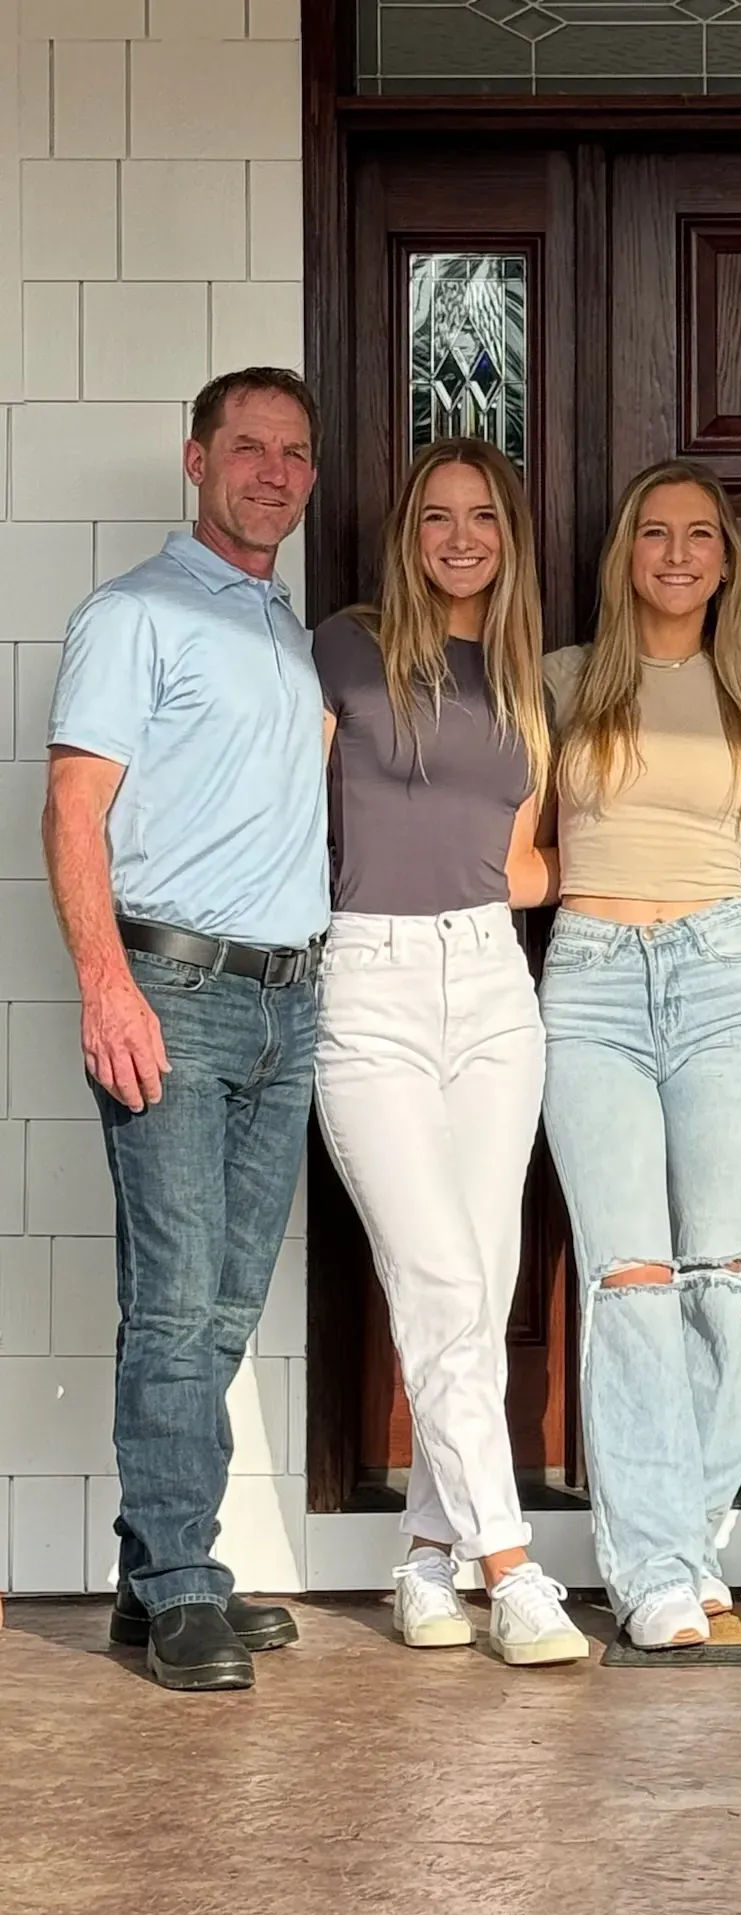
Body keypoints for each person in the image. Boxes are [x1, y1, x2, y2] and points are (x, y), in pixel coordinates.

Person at [42, 368, 328, 1692]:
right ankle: (179, 1581)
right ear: (195, 461)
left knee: (217, 1300)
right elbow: (72, 813)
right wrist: (107, 985)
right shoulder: (136, 614)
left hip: (287, 1000)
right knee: (175, 1302)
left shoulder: (281, 629)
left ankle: (150, 1570)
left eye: (293, 454)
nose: (273, 472)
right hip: (176, 993)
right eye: (248, 449)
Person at [311, 437, 588, 1667]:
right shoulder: (345, 647)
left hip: (489, 980)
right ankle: (512, 1567)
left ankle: (425, 1558)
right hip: (363, 979)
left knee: (480, 1277)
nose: (461, 536)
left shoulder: (527, 681)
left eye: (483, 516)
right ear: (407, 531)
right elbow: (288, 815)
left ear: (511, 536)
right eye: (438, 515)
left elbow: (526, 860)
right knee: (433, 1277)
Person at [540, 459, 741, 1651]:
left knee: (717, 1274)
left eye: (703, 534)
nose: (681, 552)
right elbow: (521, 854)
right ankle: (648, 1562)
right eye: (657, 531)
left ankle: (690, 1536)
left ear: (727, 559)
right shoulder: (557, 681)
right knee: (631, 1278)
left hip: (718, 972)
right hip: (591, 970)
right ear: (626, 553)